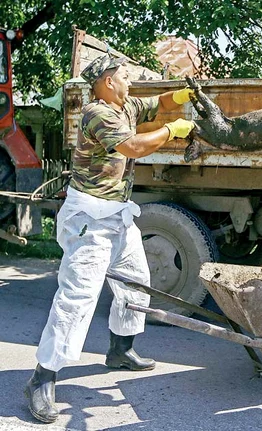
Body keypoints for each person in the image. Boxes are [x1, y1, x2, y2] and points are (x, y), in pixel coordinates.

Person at [25, 54, 196, 424]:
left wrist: (183, 94)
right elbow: (133, 148)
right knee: (77, 298)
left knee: (136, 284)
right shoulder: (97, 113)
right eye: (124, 77)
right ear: (106, 81)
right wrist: (172, 131)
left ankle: (121, 349)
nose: (131, 83)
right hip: (90, 218)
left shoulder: (127, 104)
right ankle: (42, 378)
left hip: (117, 215)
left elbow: (159, 102)